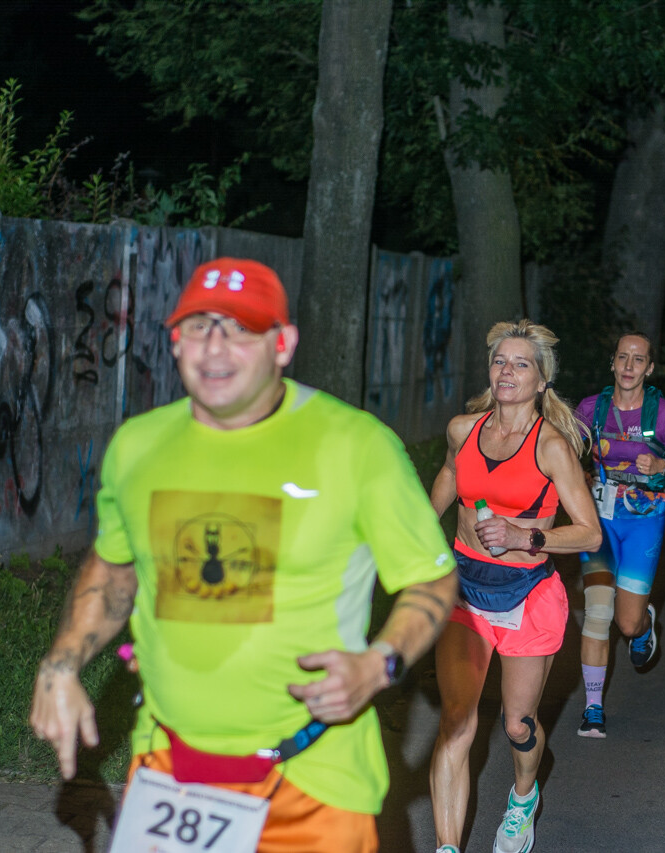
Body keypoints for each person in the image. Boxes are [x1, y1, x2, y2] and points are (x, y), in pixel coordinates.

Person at [29, 258, 459, 853]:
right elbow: (114, 565)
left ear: (282, 345)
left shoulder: (356, 447)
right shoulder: (138, 446)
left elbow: (431, 582)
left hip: (310, 780)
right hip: (168, 773)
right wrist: (61, 664)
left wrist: (379, 663)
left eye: (240, 328)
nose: (215, 346)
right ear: (175, 341)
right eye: (199, 326)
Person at [428, 320, 602, 853]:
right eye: (501, 361)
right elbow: (448, 483)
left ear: (542, 379)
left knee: (516, 724)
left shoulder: (550, 447)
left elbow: (589, 532)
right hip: (465, 590)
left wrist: (524, 535)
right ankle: (446, 846)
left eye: (521, 363)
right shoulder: (464, 429)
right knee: (456, 723)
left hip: (527, 595)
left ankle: (524, 796)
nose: (507, 370)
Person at [574, 332, 665, 738]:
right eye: (623, 357)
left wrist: (663, 463)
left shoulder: (664, 414)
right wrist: (583, 474)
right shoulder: (591, 408)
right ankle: (593, 708)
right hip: (598, 523)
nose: (629, 366)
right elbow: (565, 452)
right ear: (613, 363)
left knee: (625, 624)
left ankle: (644, 625)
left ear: (649, 368)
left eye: (638, 359)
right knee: (597, 613)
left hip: (644, 520)